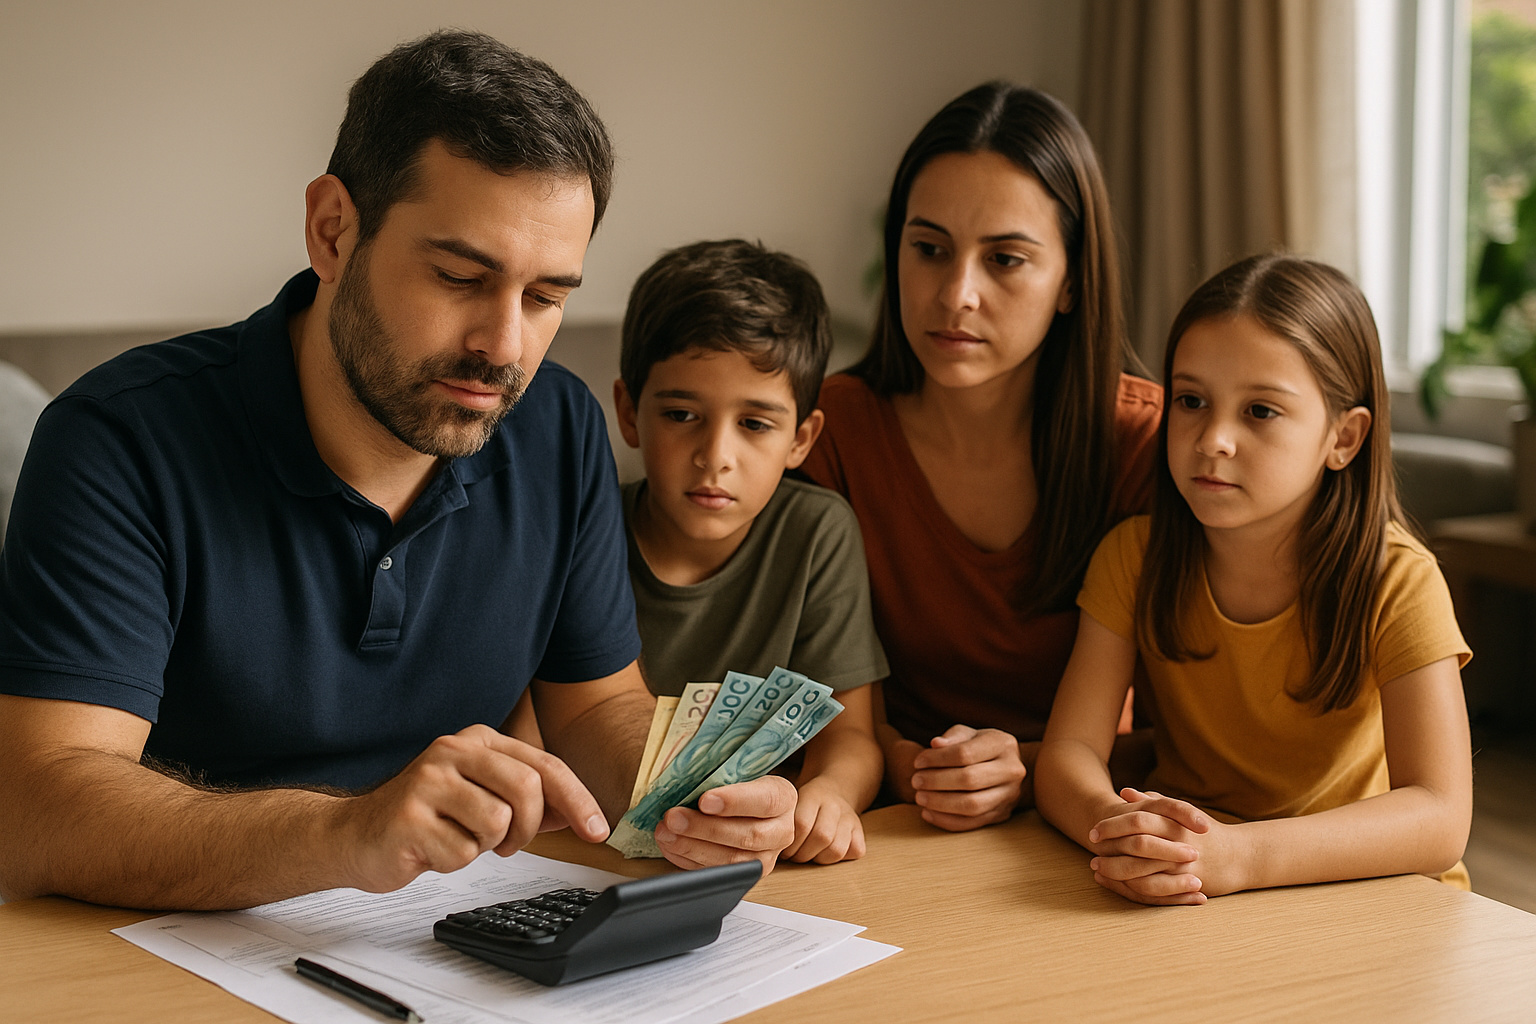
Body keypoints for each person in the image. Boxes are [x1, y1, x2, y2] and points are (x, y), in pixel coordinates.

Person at [0, 30, 795, 911]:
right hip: (160, 943)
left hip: (440, 931)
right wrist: (348, 834)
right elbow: (39, 811)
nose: (505, 347)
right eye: (459, 277)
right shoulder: (118, 440)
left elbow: (596, 708)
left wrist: (700, 792)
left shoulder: (558, 423)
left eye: (545, 298)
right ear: (333, 231)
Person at [1035, 254, 1473, 905]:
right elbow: (1067, 753)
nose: (1213, 438)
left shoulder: (1398, 581)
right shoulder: (1132, 557)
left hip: (1369, 894)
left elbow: (1440, 816)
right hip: (1197, 879)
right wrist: (1121, 832)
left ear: (1344, 438)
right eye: (1191, 401)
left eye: (1261, 411)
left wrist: (1241, 855)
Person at [798, 82, 1160, 830]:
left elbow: (1187, 743)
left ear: (1071, 281)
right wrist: (903, 762)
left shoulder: (1149, 448)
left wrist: (1028, 769)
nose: (957, 293)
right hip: (884, 822)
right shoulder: (826, 434)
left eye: (1005, 259)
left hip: (1088, 823)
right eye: (929, 250)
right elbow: (810, 702)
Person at [611, 239, 888, 864]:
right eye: (681, 414)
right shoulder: (587, 530)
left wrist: (828, 796)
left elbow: (852, 738)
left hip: (758, 860)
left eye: (755, 424)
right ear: (629, 412)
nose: (716, 456)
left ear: (802, 439)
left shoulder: (816, 534)